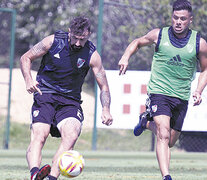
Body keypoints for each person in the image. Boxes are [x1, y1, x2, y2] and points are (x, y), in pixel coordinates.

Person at [118, 0, 207, 180]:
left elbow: (205, 69)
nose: (178, 22)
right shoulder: (159, 35)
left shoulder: (199, 43)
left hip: (181, 96)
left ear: (190, 19)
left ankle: (145, 123)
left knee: (171, 141)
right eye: (175, 18)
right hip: (158, 92)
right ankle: (166, 176)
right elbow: (137, 42)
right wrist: (126, 56)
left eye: (183, 18)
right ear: (171, 17)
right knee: (164, 134)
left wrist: (198, 90)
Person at [20, 16, 113, 180]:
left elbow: (103, 85)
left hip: (70, 102)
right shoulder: (53, 41)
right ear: (69, 32)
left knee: (71, 134)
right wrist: (28, 79)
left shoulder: (92, 54)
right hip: (45, 94)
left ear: (88, 35)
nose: (78, 43)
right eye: (75, 38)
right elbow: (25, 57)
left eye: (82, 39)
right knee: (40, 134)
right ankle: (35, 174)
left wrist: (106, 109)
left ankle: (51, 178)